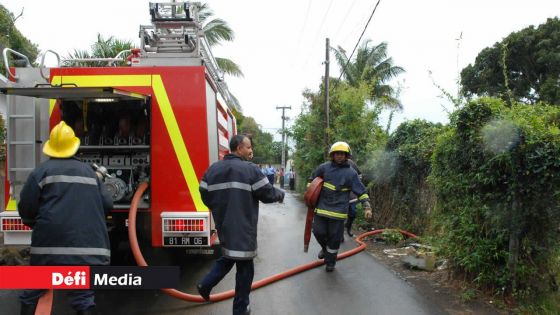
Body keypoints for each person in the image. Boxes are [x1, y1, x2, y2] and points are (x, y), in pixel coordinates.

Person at [18, 121, 113, 315]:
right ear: (74, 147)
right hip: (86, 247)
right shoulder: (90, 173)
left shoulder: (40, 172)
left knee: (34, 289)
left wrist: (34, 224)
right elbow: (107, 205)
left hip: (47, 249)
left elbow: (27, 208)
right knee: (82, 296)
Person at [197, 134, 284, 315]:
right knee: (245, 267)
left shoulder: (213, 169)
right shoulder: (250, 170)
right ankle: (240, 308)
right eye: (248, 147)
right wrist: (280, 194)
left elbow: (204, 192)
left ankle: (204, 285)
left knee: (229, 256)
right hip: (244, 226)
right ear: (239, 149)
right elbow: (267, 194)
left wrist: (217, 207)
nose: (251, 151)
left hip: (224, 224)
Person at [309, 141, 372, 272]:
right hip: (321, 209)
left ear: (347, 156)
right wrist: (310, 192)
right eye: (337, 153)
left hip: (338, 212)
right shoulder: (324, 168)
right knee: (318, 231)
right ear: (332, 155)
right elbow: (312, 181)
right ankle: (325, 249)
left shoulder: (351, 173)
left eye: (342, 154)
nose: (339, 156)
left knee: (334, 238)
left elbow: (361, 191)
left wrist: (367, 207)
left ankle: (330, 262)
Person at [345, 158, 363, 238]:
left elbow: (359, 174)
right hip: (339, 196)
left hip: (352, 194)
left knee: (353, 213)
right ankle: (339, 234)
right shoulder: (333, 165)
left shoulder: (351, 163)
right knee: (340, 215)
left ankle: (348, 228)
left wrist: (356, 183)